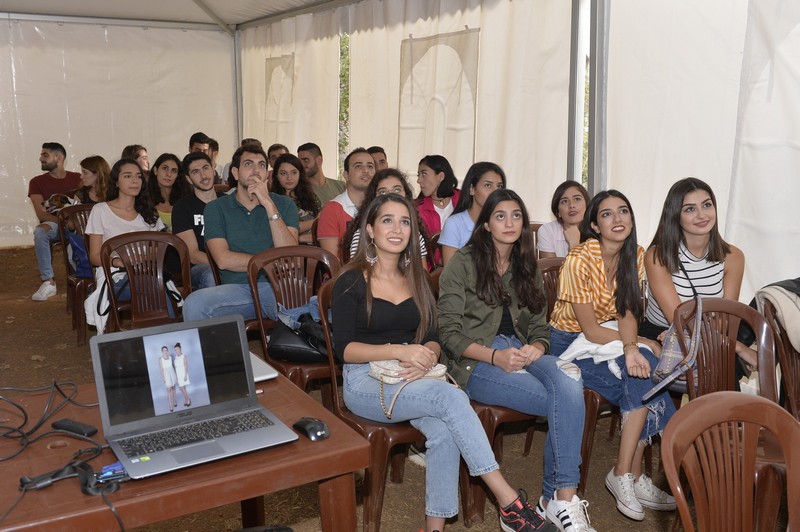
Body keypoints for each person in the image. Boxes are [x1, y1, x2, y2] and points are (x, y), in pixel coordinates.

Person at [331, 193, 553, 532]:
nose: (397, 229)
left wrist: (429, 354)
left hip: (412, 375)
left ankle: (434, 529)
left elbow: (434, 334)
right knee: (452, 397)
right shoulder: (352, 279)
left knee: (445, 429)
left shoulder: (416, 279)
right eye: (387, 220)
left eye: (405, 221)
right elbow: (343, 349)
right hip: (365, 381)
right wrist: (400, 350)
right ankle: (508, 501)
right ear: (371, 230)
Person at [438, 189, 593, 532]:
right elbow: (448, 334)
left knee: (569, 380)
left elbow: (540, 326)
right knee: (565, 401)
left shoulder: (527, 265)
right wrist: (495, 356)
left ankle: (561, 500)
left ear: (524, 223)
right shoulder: (462, 264)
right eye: (500, 216)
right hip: (477, 361)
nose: (509, 223)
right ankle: (557, 499)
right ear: (486, 224)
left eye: (516, 215)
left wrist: (538, 345)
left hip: (522, 350)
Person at [547, 190, 676, 522]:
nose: (618, 219)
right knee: (644, 374)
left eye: (624, 212)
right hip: (569, 344)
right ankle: (626, 474)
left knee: (644, 372)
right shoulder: (579, 258)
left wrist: (634, 346)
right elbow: (589, 330)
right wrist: (637, 346)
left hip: (610, 337)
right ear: (594, 224)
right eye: (607, 214)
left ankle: (626, 472)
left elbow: (627, 313)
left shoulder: (636, 255)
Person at [182, 144, 299, 322]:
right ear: (235, 173)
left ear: (267, 174)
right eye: (248, 164)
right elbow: (223, 259)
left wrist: (268, 204)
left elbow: (289, 256)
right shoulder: (216, 208)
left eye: (261, 165)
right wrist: (272, 263)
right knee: (194, 304)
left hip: (280, 286)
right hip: (239, 289)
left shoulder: (284, 205)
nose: (256, 170)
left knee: (300, 301)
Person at [642, 178, 746, 341]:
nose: (702, 215)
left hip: (712, 338)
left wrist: (702, 336)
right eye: (690, 209)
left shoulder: (733, 256)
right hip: (663, 335)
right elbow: (678, 321)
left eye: (707, 205)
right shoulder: (657, 257)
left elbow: (727, 318)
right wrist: (739, 348)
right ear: (675, 215)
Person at [85, 159, 166, 328]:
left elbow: (160, 249)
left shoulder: (149, 212)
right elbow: (94, 256)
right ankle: (156, 336)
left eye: (138, 176)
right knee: (153, 289)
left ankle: (153, 337)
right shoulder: (101, 210)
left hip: (148, 272)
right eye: (128, 176)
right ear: (116, 180)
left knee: (153, 285)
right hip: (115, 274)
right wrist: (120, 262)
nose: (135, 181)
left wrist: (145, 260)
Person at [28, 142, 82, 301]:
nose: (40, 158)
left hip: (79, 225)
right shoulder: (36, 182)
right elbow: (42, 214)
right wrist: (67, 223)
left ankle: (88, 277)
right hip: (56, 225)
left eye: (45, 155)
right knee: (40, 231)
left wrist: (76, 225)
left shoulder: (78, 179)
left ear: (58, 158)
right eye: (41, 155)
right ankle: (48, 282)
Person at [343, 168, 430, 266]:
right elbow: (356, 276)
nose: (391, 195)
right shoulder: (361, 236)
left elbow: (422, 275)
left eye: (397, 190)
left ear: (406, 194)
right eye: (383, 192)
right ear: (374, 199)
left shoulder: (415, 234)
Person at [172, 151, 223, 290]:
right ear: (189, 179)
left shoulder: (228, 202)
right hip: (199, 268)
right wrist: (223, 262)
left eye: (206, 168)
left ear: (213, 169)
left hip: (229, 262)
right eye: (195, 172)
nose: (203, 175)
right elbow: (193, 254)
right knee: (211, 274)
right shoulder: (182, 207)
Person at [438, 162, 506, 265]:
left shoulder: (506, 223)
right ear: (471, 189)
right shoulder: (454, 224)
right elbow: (450, 275)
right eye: (488, 185)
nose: (495, 192)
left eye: (499, 186)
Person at [316, 148, 375, 260]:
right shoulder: (332, 209)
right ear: (346, 175)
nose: (366, 170)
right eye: (358, 166)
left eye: (370, 166)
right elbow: (332, 261)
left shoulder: (381, 207)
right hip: (344, 274)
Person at [270, 153, 321, 244]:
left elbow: (322, 226)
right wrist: (315, 221)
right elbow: (285, 228)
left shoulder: (311, 197)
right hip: (287, 252)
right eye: (283, 173)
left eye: (294, 172)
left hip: (316, 250)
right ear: (277, 176)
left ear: (300, 174)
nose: (289, 178)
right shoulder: (272, 201)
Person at [538, 181, 591, 259]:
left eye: (577, 199)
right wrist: (574, 245)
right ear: (557, 211)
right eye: (564, 201)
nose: (571, 205)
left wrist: (574, 245)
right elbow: (553, 270)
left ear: (587, 204)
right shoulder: (547, 231)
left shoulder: (597, 229)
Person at [416, 155, 460, 238]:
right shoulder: (417, 208)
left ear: (441, 176)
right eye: (418, 175)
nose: (418, 180)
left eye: (424, 174)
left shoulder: (463, 198)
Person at [148, 153, 189, 231]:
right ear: (155, 170)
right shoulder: (144, 198)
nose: (169, 174)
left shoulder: (185, 198)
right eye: (165, 168)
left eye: (174, 171)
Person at [159, 346, 178, 412]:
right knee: (169, 389)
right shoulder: (160, 359)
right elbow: (161, 369)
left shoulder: (170, 357)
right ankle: (170, 405)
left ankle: (174, 401)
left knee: (173, 388)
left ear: (167, 351)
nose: (165, 351)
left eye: (166, 350)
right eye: (164, 350)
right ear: (162, 351)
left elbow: (172, 366)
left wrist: (175, 374)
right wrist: (163, 377)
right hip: (166, 374)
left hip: (172, 372)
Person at [173, 342, 191, 407]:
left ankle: (188, 399)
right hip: (178, 374)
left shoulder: (184, 356)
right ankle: (186, 399)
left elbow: (186, 365)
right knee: (183, 388)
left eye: (177, 349)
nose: (176, 351)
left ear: (180, 349)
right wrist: (176, 376)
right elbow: (175, 367)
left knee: (181, 388)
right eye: (175, 350)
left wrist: (185, 375)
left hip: (183, 373)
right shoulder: (175, 357)